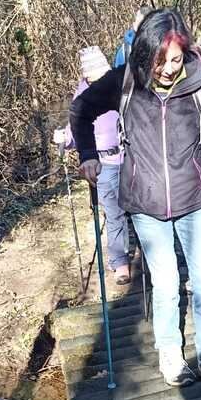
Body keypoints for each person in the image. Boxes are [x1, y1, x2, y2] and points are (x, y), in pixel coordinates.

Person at [70, 9, 201, 394]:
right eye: (160, 61)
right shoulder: (124, 82)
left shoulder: (200, 79)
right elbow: (81, 109)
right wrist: (87, 153)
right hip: (144, 201)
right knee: (167, 283)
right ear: (144, 53)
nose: (168, 69)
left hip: (194, 198)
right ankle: (170, 354)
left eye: (175, 59)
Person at [65, 46, 130, 285]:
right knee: (114, 213)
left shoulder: (118, 84)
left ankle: (148, 257)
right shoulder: (83, 95)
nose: (100, 80)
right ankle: (120, 263)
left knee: (138, 210)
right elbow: (75, 128)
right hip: (103, 164)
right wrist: (66, 140)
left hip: (129, 157)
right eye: (95, 77)